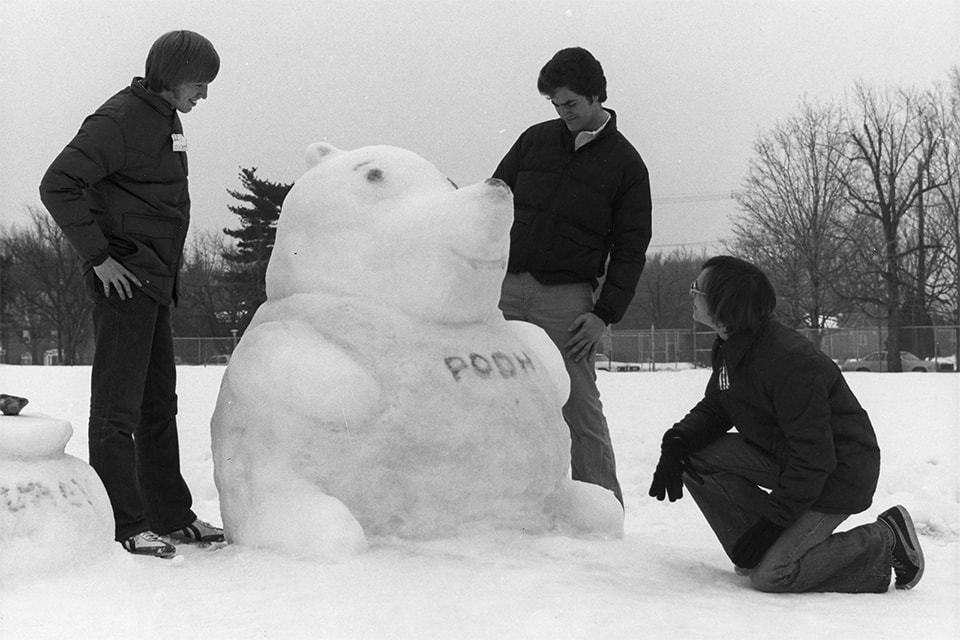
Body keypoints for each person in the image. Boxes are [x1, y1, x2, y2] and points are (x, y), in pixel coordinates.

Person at [39, 31, 224, 558]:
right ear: (171, 73)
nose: (203, 95)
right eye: (199, 83)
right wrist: (100, 257)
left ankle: (169, 515)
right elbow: (57, 184)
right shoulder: (118, 119)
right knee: (118, 410)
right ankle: (124, 523)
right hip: (124, 282)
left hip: (154, 282)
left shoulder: (164, 117)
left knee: (157, 405)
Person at [648, 256, 924, 592]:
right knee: (694, 454)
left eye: (697, 289)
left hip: (839, 475)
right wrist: (677, 441)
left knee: (773, 574)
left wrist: (771, 526)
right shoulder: (732, 346)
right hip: (791, 460)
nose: (691, 294)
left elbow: (815, 459)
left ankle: (885, 539)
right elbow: (720, 405)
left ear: (724, 301)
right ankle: (757, 548)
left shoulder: (790, 361)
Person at [493, 47, 652, 506]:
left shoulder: (626, 165)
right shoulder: (533, 141)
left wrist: (604, 314)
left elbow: (630, 249)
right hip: (504, 290)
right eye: (556, 105)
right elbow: (495, 199)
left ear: (597, 95)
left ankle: (600, 510)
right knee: (496, 397)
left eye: (571, 105)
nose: (563, 114)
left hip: (566, 300)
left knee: (579, 407)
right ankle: (502, 502)